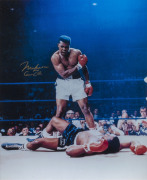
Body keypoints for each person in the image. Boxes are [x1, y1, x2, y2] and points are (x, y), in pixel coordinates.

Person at [2, 116, 146, 157]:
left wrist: (88, 146)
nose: (106, 133)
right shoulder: (116, 143)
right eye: (107, 134)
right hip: (76, 130)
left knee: (37, 142)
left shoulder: (98, 147)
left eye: (106, 136)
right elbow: (130, 142)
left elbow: (69, 151)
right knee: (54, 120)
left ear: (106, 143)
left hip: (70, 140)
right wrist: (137, 145)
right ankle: (39, 134)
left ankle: (22, 146)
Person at [50, 35, 95, 129]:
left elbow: (84, 67)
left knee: (85, 108)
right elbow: (64, 74)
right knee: (60, 111)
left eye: (66, 47)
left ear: (69, 45)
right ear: (58, 45)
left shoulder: (76, 52)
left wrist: (88, 82)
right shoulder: (55, 57)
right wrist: (78, 66)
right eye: (62, 46)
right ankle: (53, 134)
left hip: (77, 82)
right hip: (62, 83)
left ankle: (94, 133)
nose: (64, 49)